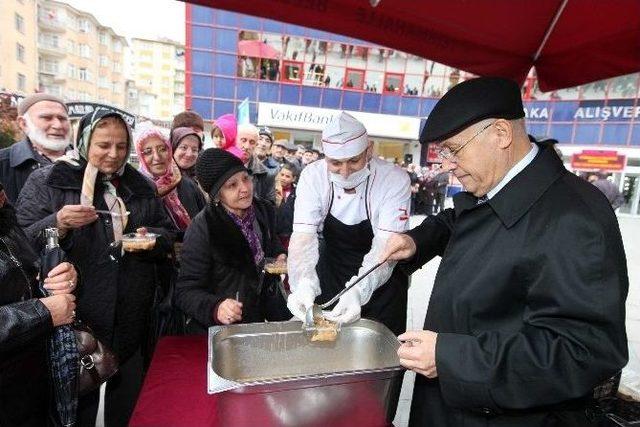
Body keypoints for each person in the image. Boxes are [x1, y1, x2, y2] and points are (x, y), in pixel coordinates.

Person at [381, 77, 628, 426]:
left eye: (454, 149)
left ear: (500, 134)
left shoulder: (573, 218)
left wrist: (451, 357)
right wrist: (418, 241)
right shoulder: (501, 186)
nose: (446, 163)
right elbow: (461, 220)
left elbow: (582, 353)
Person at [16, 109, 175, 427]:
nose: (114, 154)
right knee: (75, 406)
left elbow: (167, 234)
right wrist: (57, 223)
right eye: (103, 145)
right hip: (75, 321)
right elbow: (20, 243)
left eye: (120, 145)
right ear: (84, 141)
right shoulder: (51, 180)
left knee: (127, 405)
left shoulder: (139, 185)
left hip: (131, 316)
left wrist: (151, 240)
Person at [286, 112, 411, 336]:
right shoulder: (312, 177)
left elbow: (386, 247)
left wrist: (358, 291)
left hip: (382, 277)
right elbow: (303, 237)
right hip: (332, 270)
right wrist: (303, 282)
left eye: (354, 160)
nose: (345, 172)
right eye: (335, 163)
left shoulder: (394, 179)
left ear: (369, 150)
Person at [174, 149, 289, 333]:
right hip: (223, 330)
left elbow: (270, 242)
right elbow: (186, 291)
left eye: (245, 178)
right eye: (232, 185)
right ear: (217, 195)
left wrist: (280, 255)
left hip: (258, 318)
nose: (244, 188)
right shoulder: (204, 228)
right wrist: (216, 307)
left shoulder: (262, 211)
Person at [0, 181, 78, 426]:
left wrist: (65, 276)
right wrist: (43, 313)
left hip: (32, 384)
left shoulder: (5, 218)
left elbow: (27, 270)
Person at [0, 93, 71, 203]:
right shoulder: (3, 164)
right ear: (23, 124)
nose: (58, 125)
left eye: (62, 118)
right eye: (47, 118)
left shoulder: (88, 161)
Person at [135, 126, 206, 228]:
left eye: (162, 149)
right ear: (140, 156)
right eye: (148, 152)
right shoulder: (136, 190)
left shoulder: (187, 185)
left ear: (169, 150)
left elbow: (206, 223)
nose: (157, 157)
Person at [237, 123, 276, 204]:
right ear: (235, 140)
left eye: (252, 142)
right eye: (243, 140)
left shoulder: (267, 174)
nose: (247, 146)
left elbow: (269, 207)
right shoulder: (222, 164)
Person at [274, 162, 298, 249]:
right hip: (274, 232)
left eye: (287, 176)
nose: (283, 178)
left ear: (294, 178)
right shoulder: (272, 190)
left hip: (289, 233)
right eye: (282, 175)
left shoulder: (297, 193)